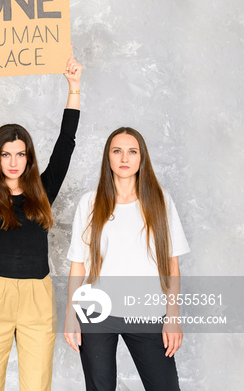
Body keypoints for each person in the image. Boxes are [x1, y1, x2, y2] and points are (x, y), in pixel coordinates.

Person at [0, 49, 83, 391]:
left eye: (20, 154)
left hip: (37, 296)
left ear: (28, 157)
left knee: (37, 386)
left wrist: (74, 89)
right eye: (6, 154)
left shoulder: (43, 191)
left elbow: (65, 145)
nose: (13, 161)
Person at [64, 127, 190, 391]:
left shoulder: (159, 201)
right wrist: (70, 315)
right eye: (117, 151)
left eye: (132, 151)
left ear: (141, 157)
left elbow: (172, 265)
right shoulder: (90, 203)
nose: (124, 158)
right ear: (108, 157)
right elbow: (79, 264)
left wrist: (173, 315)